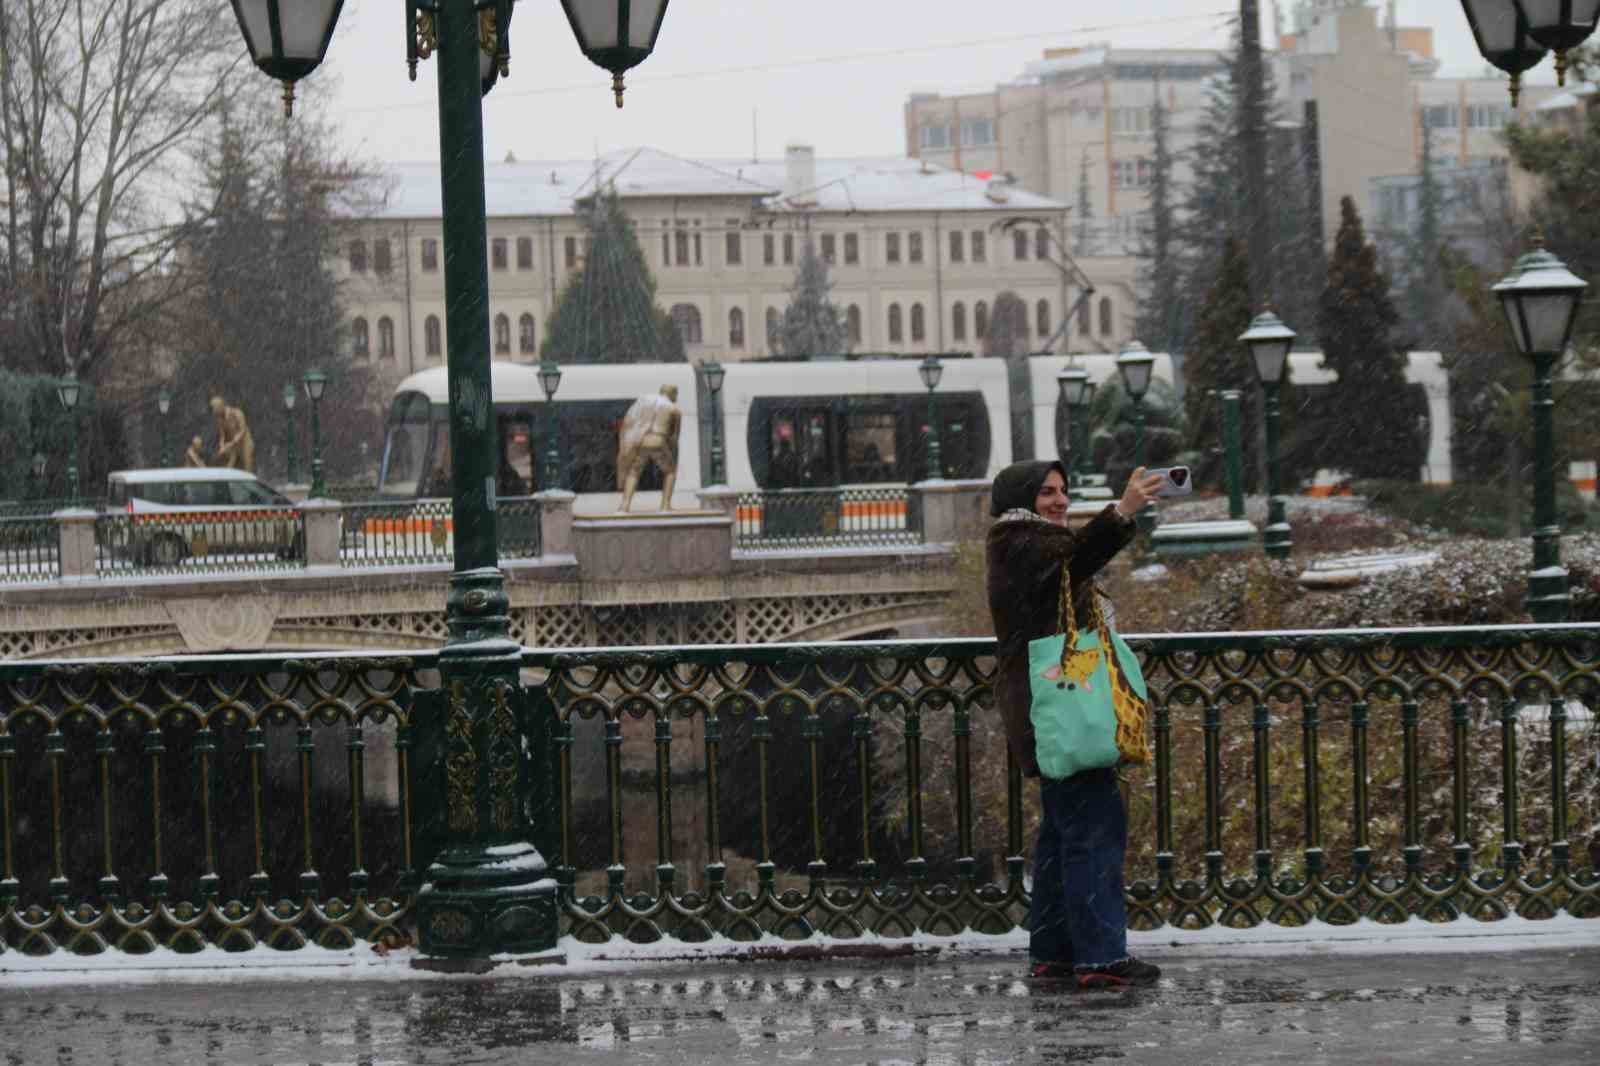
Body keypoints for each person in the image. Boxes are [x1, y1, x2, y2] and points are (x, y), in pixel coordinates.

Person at [986, 459, 1165, 989]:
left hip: (1050, 708)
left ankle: (1056, 953)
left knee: (1064, 836)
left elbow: (1070, 565)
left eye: (1063, 491)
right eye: (1046, 492)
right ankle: (1101, 958)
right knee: (1093, 831)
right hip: (1063, 708)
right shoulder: (1020, 540)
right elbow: (1080, 557)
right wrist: (1125, 509)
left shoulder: (1024, 542)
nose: (1060, 501)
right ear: (1021, 498)